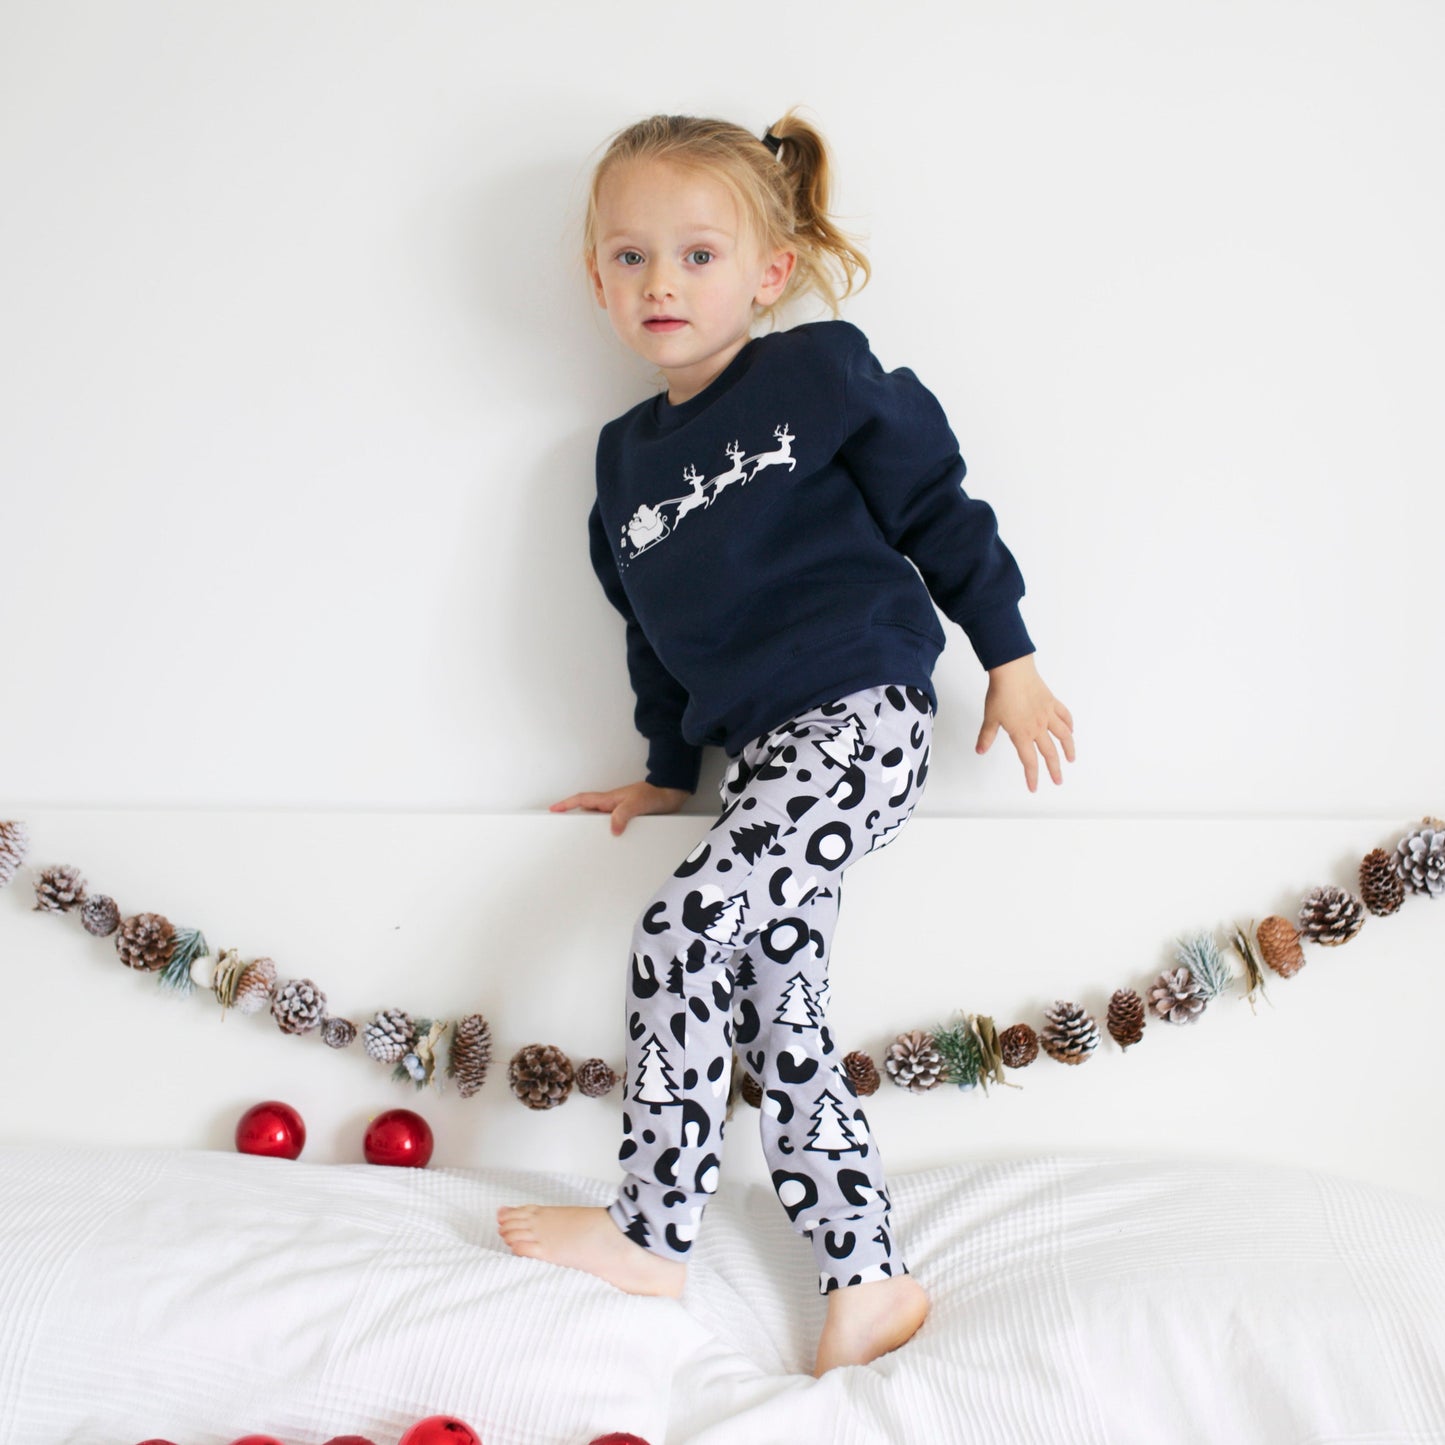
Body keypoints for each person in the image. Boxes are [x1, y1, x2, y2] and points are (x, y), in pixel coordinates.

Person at [497, 108, 1076, 1376]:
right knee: (775, 999)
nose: (660, 282)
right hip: (765, 758)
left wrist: (1010, 657)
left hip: (861, 718)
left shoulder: (815, 372)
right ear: (595, 278)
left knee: (681, 928)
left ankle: (652, 1226)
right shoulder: (620, 467)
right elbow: (651, 633)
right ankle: (867, 1276)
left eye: (697, 255)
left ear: (768, 272)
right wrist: (666, 771)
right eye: (630, 256)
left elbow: (937, 505)